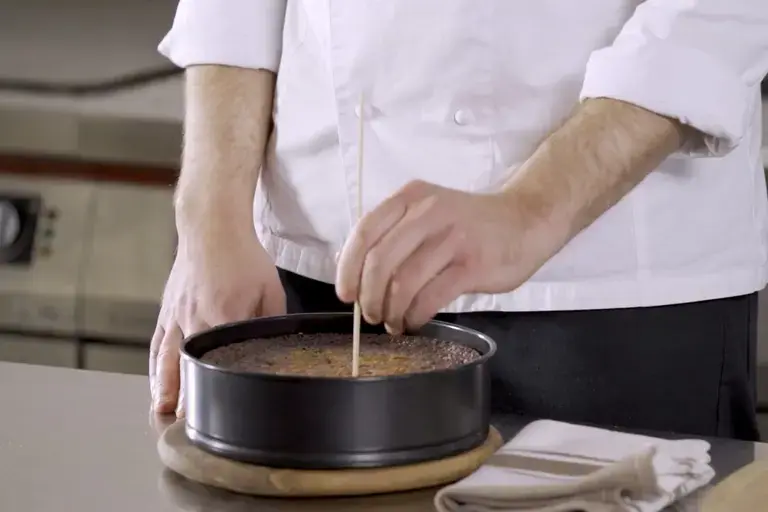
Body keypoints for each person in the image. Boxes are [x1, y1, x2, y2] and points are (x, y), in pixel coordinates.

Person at [149, 0, 768, 440]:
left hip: (609, 295)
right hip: (309, 269)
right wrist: (210, 220)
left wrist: (531, 208)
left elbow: (715, 13)